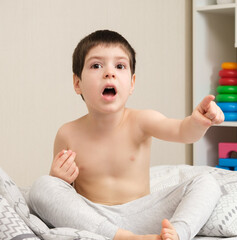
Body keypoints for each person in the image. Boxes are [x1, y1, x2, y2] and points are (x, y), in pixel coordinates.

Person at [28, 29, 224, 240]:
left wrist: (197, 122)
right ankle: (125, 238)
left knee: (207, 182)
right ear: (78, 83)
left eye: (120, 66)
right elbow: (62, 193)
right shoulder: (67, 133)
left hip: (143, 213)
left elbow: (182, 132)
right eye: (96, 66)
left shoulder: (142, 120)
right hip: (94, 218)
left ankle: (176, 234)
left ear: (131, 83)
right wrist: (57, 177)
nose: (109, 73)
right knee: (42, 187)